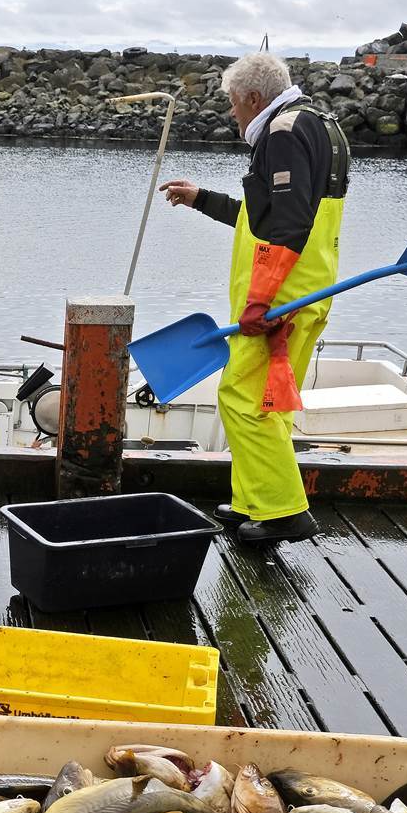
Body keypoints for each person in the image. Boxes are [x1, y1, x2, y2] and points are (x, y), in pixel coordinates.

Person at [159, 51, 349, 544]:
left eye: (232, 103)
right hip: (311, 288)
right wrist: (203, 199)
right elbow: (267, 213)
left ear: (251, 97)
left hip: (280, 301)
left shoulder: (282, 134)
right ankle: (254, 503)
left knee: (242, 400)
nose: (231, 113)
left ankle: (286, 512)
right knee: (270, 403)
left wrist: (260, 301)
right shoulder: (319, 124)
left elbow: (285, 226)